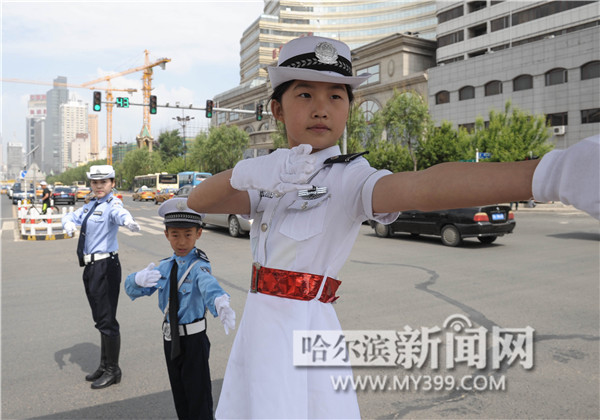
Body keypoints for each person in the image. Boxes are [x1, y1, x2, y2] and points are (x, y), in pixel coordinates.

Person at [187, 36, 600, 419]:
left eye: (336, 95)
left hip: (305, 332)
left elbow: (422, 188)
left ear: (350, 106)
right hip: (258, 329)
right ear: (277, 108)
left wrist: (549, 175)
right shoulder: (269, 175)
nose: (321, 107)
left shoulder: (348, 177)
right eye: (305, 94)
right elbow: (198, 202)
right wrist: (253, 170)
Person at [124, 197, 235, 420]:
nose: (181, 242)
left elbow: (207, 284)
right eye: (175, 235)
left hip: (194, 342)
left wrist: (219, 301)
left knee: (198, 398)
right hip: (170, 339)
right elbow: (132, 290)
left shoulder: (199, 265)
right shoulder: (165, 266)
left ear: (198, 234)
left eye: (187, 235)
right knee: (180, 394)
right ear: (166, 235)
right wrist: (137, 279)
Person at [62, 165, 141, 389]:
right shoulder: (91, 205)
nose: (98, 186)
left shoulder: (112, 204)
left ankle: (113, 370)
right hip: (91, 268)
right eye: (95, 182)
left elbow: (119, 213)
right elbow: (71, 215)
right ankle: (105, 364)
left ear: (112, 183)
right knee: (100, 319)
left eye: (103, 182)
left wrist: (127, 221)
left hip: (106, 266)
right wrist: (67, 223)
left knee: (107, 320)